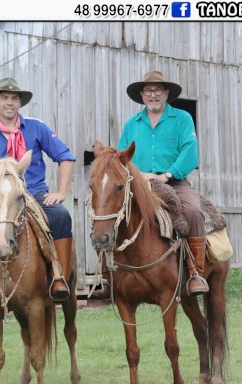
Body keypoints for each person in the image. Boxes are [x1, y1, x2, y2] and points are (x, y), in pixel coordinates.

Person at [0, 77, 76, 308]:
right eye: (5, 98)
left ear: (20, 103)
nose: (10, 102)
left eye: (14, 98)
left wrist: (61, 191)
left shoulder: (37, 127)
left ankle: (60, 279)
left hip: (34, 193)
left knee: (61, 216)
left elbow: (65, 157)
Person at [92, 70, 208, 299]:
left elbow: (190, 151)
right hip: (138, 184)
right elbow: (121, 157)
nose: (153, 94)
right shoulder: (132, 124)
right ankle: (107, 276)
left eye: (158, 90)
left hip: (173, 182)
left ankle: (195, 273)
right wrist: (137, 174)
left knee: (193, 211)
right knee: (105, 212)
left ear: (166, 94)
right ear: (142, 95)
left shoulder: (182, 119)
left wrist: (166, 175)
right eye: (148, 91)